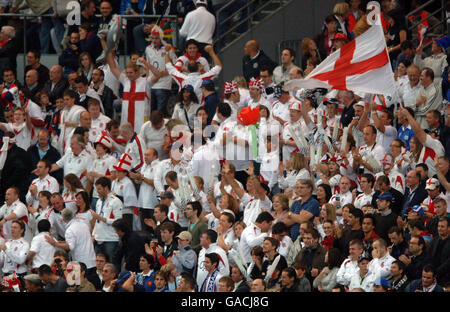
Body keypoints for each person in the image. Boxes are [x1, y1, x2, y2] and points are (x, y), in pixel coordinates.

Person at [425, 217, 450, 285]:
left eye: (442, 226)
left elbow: (448, 263)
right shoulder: (435, 240)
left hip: (446, 278)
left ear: (449, 228)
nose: (439, 229)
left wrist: (435, 273)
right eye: (438, 226)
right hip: (432, 274)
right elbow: (427, 255)